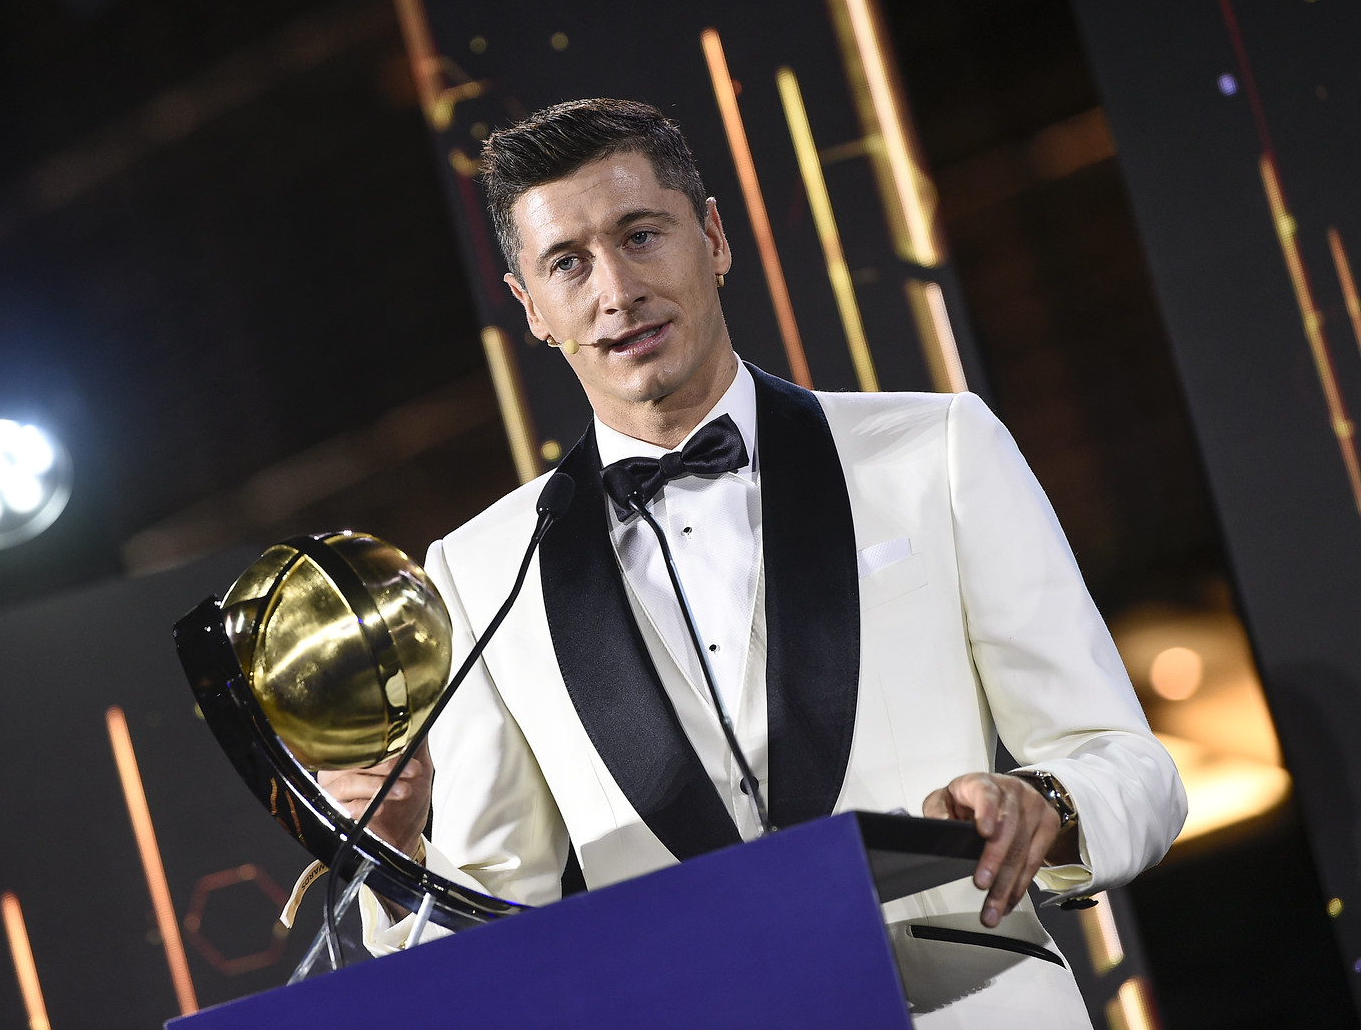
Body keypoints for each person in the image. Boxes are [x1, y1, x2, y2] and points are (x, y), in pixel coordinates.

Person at [318, 98, 1186, 1027]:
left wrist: (1043, 803)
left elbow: (1133, 767)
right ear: (531, 306)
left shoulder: (937, 449)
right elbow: (500, 928)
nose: (616, 290)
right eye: (567, 263)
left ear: (714, 237)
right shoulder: (479, 569)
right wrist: (398, 853)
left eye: (641, 235)